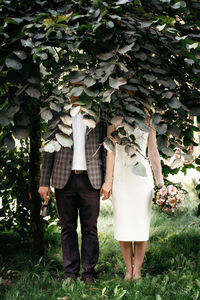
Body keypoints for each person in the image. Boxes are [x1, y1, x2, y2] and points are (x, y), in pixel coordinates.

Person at [38, 82, 107, 284]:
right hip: (63, 179)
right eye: (74, 86)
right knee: (67, 228)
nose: (77, 91)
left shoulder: (98, 112)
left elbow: (105, 147)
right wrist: (44, 182)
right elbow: (48, 149)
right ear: (68, 90)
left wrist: (106, 180)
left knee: (90, 229)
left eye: (81, 86)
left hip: (90, 179)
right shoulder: (57, 114)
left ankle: (89, 273)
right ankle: (70, 273)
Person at [100, 115, 164, 281]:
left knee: (141, 226)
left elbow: (153, 151)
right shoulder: (114, 120)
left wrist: (161, 183)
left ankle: (137, 271)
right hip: (121, 177)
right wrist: (108, 181)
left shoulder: (149, 121)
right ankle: (128, 271)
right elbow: (111, 152)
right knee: (124, 225)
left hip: (142, 179)